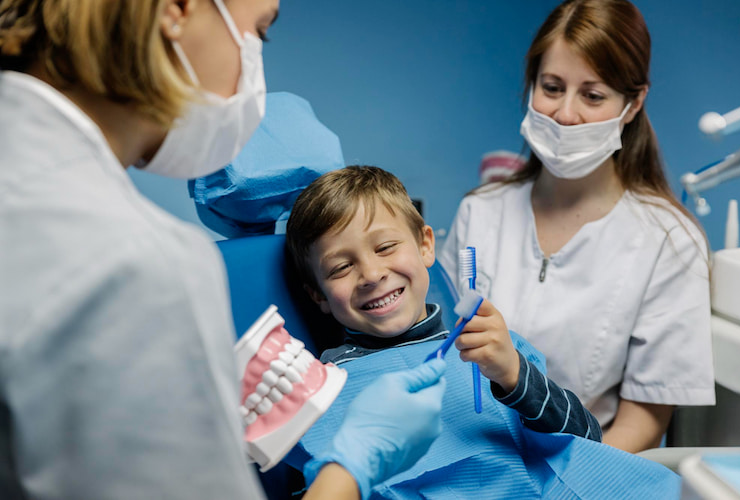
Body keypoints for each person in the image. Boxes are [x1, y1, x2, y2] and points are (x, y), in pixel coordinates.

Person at [0, 1, 446, 499]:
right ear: (176, 10)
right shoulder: (142, 261)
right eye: (259, 32)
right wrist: (355, 462)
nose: (253, 68)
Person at [283, 165, 681, 499]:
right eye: (341, 268)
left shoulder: (493, 349)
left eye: (385, 247)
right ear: (317, 294)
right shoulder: (316, 389)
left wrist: (514, 376)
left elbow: (587, 444)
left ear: (425, 246)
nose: (371, 274)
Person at [440, 0, 715, 454]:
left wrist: (573, 481)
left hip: (584, 465)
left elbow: (644, 420)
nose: (566, 114)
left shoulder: (669, 241)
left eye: (592, 95)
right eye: (551, 87)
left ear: (633, 104)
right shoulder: (481, 211)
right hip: (470, 456)